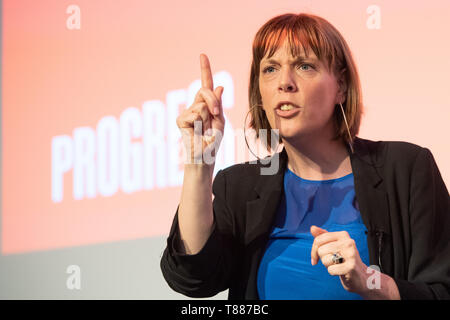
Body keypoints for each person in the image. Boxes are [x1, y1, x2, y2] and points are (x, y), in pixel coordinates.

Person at [160, 13, 450, 300]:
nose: (284, 83)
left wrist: (372, 281)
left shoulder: (406, 169)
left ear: (342, 87)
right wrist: (199, 165)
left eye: (304, 66)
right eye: (270, 69)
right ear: (260, 94)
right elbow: (193, 278)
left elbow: (441, 291)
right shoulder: (239, 186)